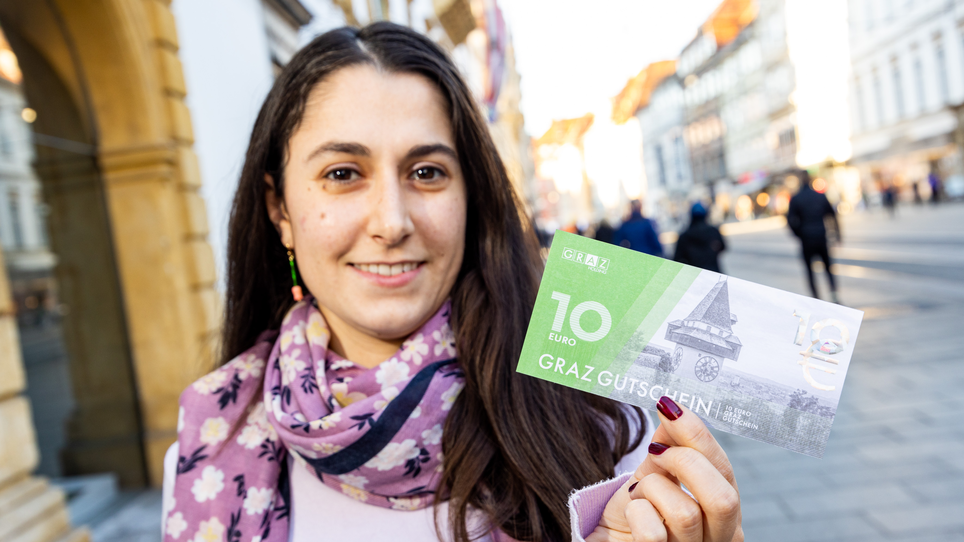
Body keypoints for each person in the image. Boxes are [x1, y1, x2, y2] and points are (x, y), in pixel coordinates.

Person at [161, 23, 742, 542]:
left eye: (426, 172)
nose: (391, 221)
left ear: (471, 197)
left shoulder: (606, 422)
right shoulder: (207, 448)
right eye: (342, 174)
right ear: (279, 209)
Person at [787, 170, 840, 303]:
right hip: (821, 236)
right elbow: (832, 215)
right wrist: (837, 233)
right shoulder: (820, 196)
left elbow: (790, 220)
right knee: (828, 268)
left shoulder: (796, 198)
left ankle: (816, 298)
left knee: (809, 270)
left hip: (806, 239)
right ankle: (834, 294)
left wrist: (799, 234)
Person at [673, 202, 726, 273]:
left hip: (694, 276)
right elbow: (723, 247)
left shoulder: (684, 236)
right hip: (714, 273)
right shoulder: (713, 231)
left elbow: (677, 259)